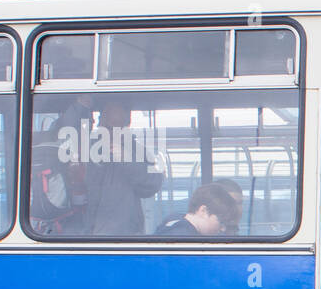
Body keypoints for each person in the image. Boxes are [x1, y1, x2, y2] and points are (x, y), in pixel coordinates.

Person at [81, 100, 164, 236]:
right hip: (77, 233)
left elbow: (152, 185)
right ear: (101, 121)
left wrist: (127, 160)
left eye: (116, 125)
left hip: (122, 235)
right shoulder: (86, 148)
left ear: (127, 122)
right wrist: (81, 104)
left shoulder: (139, 152)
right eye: (106, 123)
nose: (110, 129)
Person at [155, 183, 239, 237]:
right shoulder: (185, 238)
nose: (223, 229)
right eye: (221, 222)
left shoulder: (173, 222)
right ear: (203, 211)